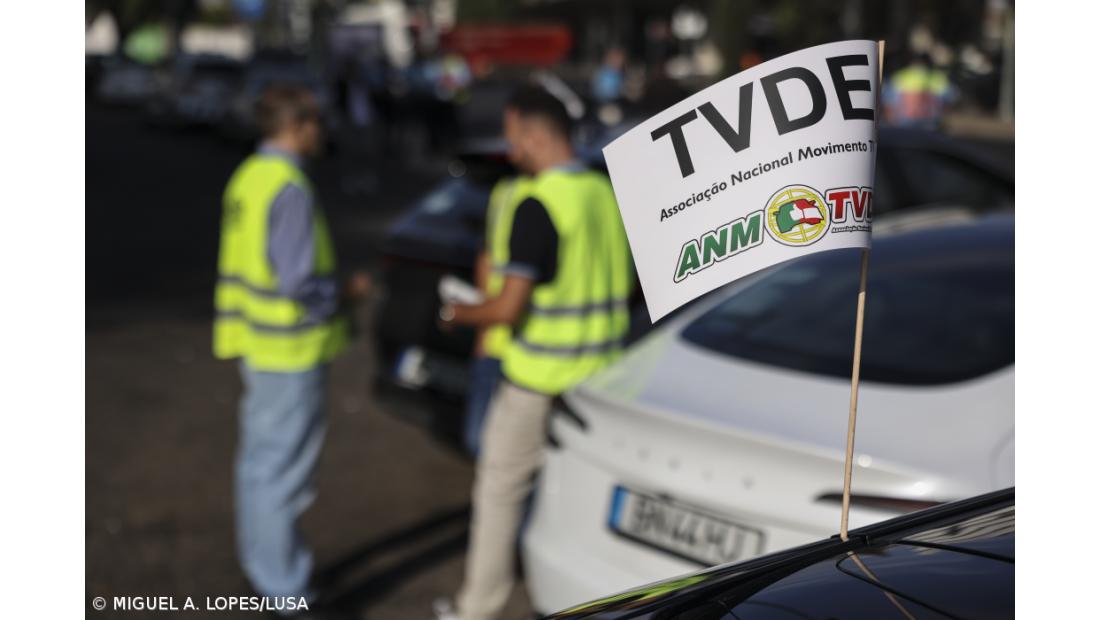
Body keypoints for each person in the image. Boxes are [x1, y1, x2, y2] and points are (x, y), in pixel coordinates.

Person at [435, 86, 635, 620]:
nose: (509, 146)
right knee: (572, 498)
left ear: (534, 135)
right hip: (601, 376)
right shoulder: (603, 194)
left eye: (512, 134)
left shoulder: (537, 202)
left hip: (538, 377)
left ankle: (478, 610)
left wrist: (458, 315)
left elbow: (505, 308)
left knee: (499, 495)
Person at [212, 83, 368, 607]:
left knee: (259, 467)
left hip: (260, 345)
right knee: (282, 476)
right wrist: (346, 294)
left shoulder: (250, 176)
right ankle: (284, 590)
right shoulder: (289, 187)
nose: (321, 132)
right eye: (316, 123)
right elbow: (298, 283)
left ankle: (264, 571)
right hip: (291, 352)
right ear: (298, 126)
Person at [463, 175, 528, 457]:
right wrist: (484, 328)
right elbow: (488, 256)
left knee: (508, 454)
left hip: (538, 352)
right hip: (498, 341)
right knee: (480, 441)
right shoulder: (505, 190)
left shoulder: (558, 193)